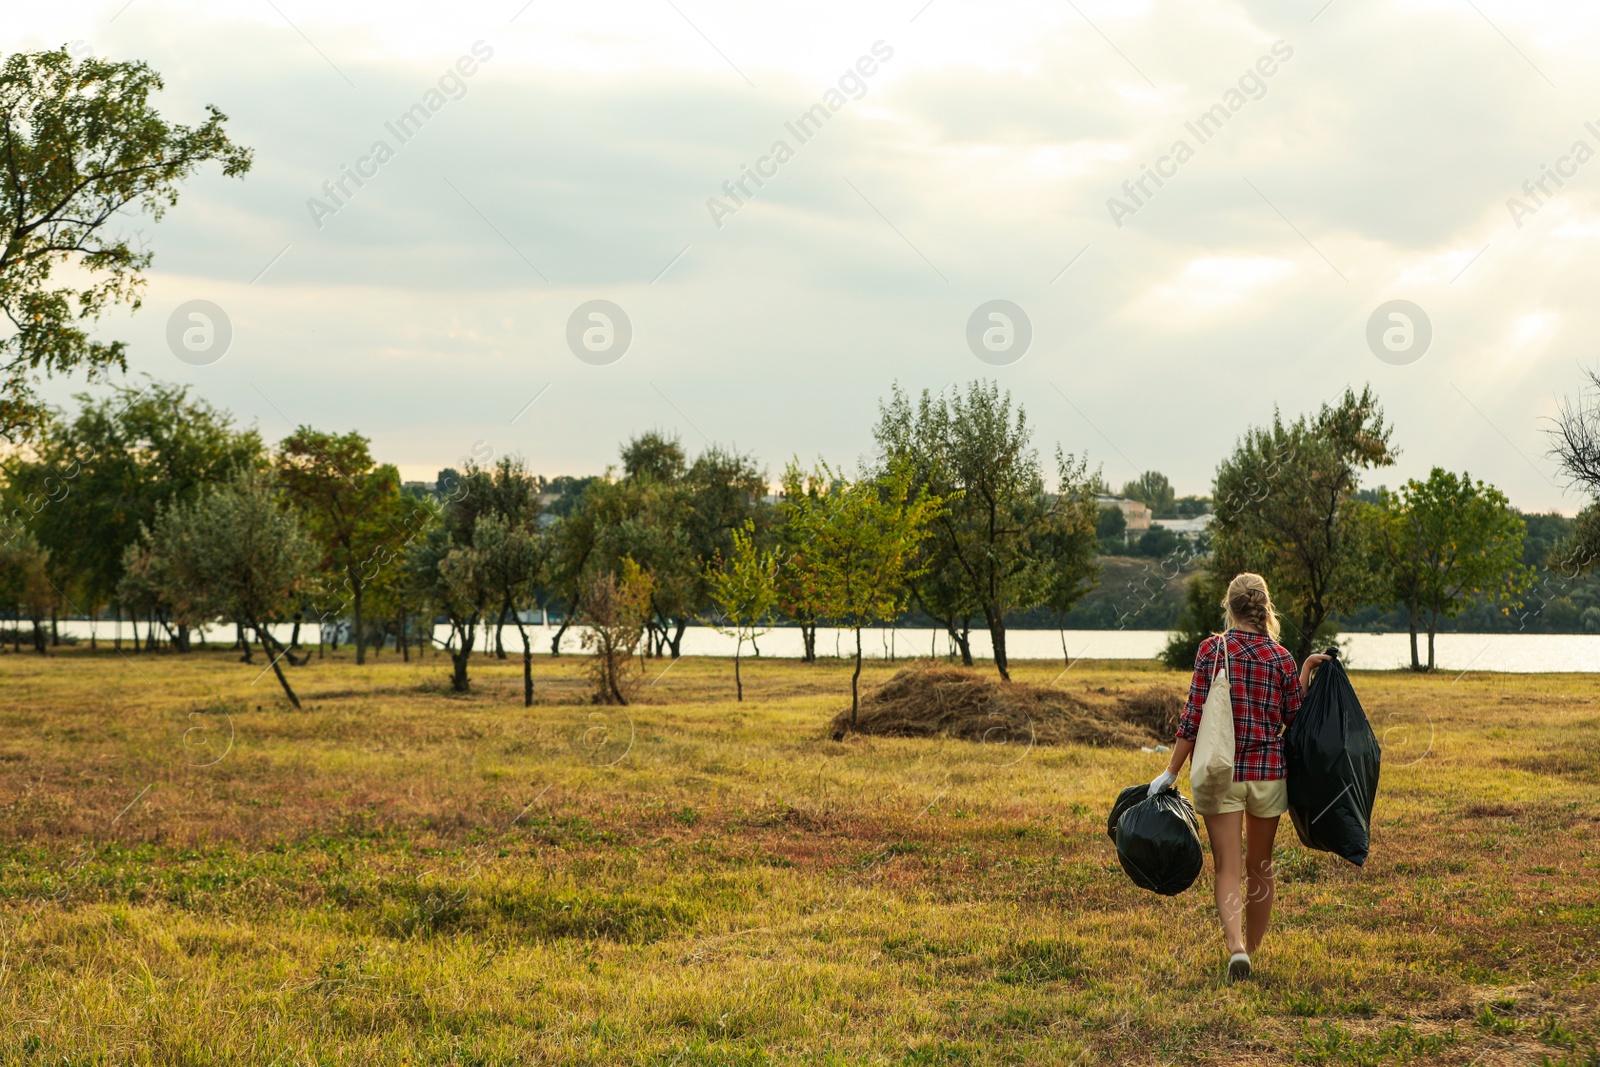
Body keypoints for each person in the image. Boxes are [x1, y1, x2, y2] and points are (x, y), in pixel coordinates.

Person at [1147, 573, 1329, 983]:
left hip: (1220, 773)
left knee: (1227, 866)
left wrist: (1169, 771)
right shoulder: (1280, 657)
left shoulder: (1213, 650)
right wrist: (1305, 671)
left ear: (1229, 607)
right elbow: (1294, 719)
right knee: (1261, 865)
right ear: (1265, 608)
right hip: (1268, 776)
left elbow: (1193, 716)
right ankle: (1254, 948)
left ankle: (1237, 948)